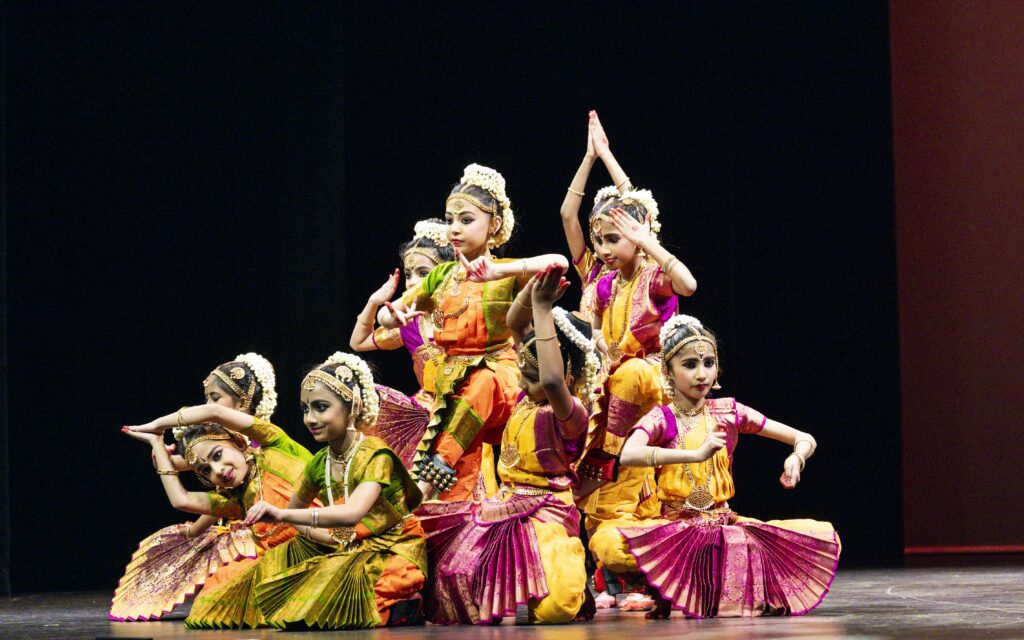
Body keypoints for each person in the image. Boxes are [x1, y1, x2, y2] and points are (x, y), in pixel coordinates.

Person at [613, 315, 841, 618]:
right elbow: (628, 454)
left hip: (723, 522)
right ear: (668, 371)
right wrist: (695, 455)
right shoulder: (662, 418)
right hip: (676, 526)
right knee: (616, 546)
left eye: (709, 363)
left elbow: (804, 438)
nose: (702, 374)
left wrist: (796, 458)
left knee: (798, 536)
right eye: (690, 365)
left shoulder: (729, 413)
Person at [419, 267, 600, 625]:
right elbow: (515, 324)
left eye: (530, 376)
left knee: (554, 611)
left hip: (548, 512)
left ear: (569, 378)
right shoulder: (525, 397)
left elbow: (549, 378)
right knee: (453, 580)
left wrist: (545, 310)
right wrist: (531, 297)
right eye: (523, 370)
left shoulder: (570, 412)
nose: (522, 379)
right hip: (504, 506)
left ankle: (568, 561)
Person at [378, 163, 567, 501]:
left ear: (493, 225)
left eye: (466, 221)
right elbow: (392, 313)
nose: (455, 229)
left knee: (482, 383)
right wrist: (392, 315)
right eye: (450, 220)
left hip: (501, 377)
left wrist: (496, 272)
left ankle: (429, 476)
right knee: (457, 477)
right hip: (452, 384)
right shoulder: (443, 275)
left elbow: (559, 262)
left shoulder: (505, 271)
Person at [121, 367, 317, 629]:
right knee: (214, 599)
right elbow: (181, 500)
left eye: (217, 457)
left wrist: (158, 425)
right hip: (283, 558)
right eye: (206, 471)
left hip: (327, 535)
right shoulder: (236, 500)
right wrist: (157, 444)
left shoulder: (275, 444)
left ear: (238, 443)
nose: (218, 471)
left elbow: (215, 417)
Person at [245, 352, 428, 629]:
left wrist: (281, 514)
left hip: (394, 550)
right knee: (286, 582)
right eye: (305, 409)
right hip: (351, 548)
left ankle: (406, 607)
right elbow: (295, 515)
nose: (310, 419)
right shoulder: (320, 462)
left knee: (347, 601)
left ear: (352, 407)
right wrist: (325, 538)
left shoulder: (376, 455)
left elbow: (352, 513)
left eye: (320, 407)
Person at [350, 219, 452, 465]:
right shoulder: (410, 325)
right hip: (422, 421)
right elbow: (358, 342)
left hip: (462, 417)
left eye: (423, 273)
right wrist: (374, 302)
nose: (413, 282)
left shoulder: (465, 319)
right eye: (409, 274)